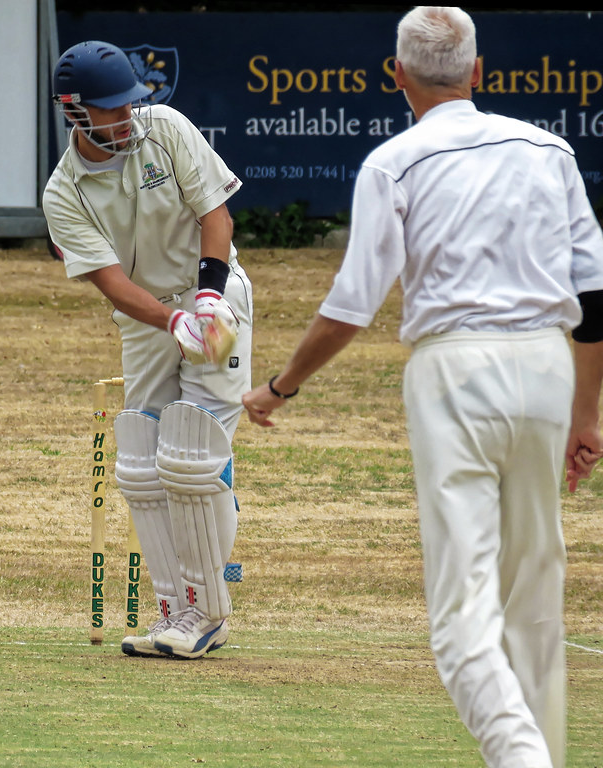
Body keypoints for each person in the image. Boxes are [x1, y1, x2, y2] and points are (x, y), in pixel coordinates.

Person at [242, 7, 603, 767]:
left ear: (396, 74)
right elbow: (595, 298)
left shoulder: (394, 162)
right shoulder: (551, 151)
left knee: (464, 611)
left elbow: (351, 306)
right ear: (479, 71)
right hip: (545, 364)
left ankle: (523, 758)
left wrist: (279, 388)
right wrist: (586, 412)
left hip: (455, 371)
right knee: (534, 583)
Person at [43, 41, 253, 659]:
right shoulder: (64, 194)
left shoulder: (165, 129)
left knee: (191, 453)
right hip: (147, 317)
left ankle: (209, 612)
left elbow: (215, 213)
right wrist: (171, 322)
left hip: (212, 292)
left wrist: (207, 301)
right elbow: (112, 283)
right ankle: (173, 610)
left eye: (131, 104)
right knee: (141, 462)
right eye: (112, 110)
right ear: (74, 112)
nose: (127, 118)